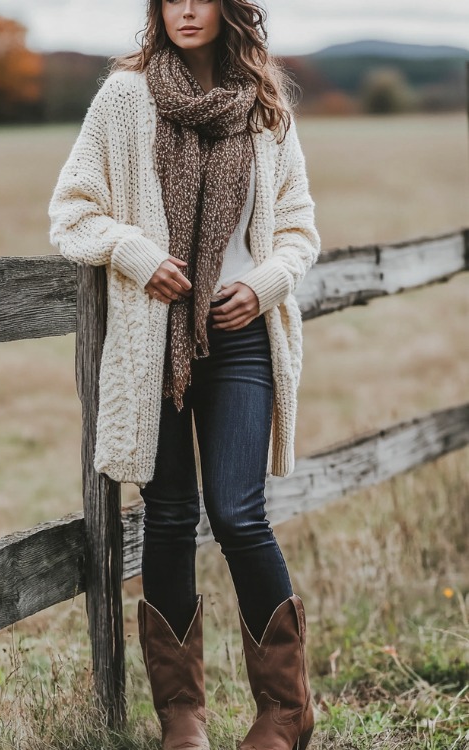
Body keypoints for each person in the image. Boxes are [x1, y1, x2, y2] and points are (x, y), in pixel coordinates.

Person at [49, 0, 320, 748]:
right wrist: (136, 254)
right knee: (168, 516)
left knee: (238, 513)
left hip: (239, 342)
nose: (189, 9)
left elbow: (300, 230)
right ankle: (183, 717)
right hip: (152, 342)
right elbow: (71, 214)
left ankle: (285, 712)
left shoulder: (266, 107)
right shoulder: (125, 98)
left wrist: (263, 283)